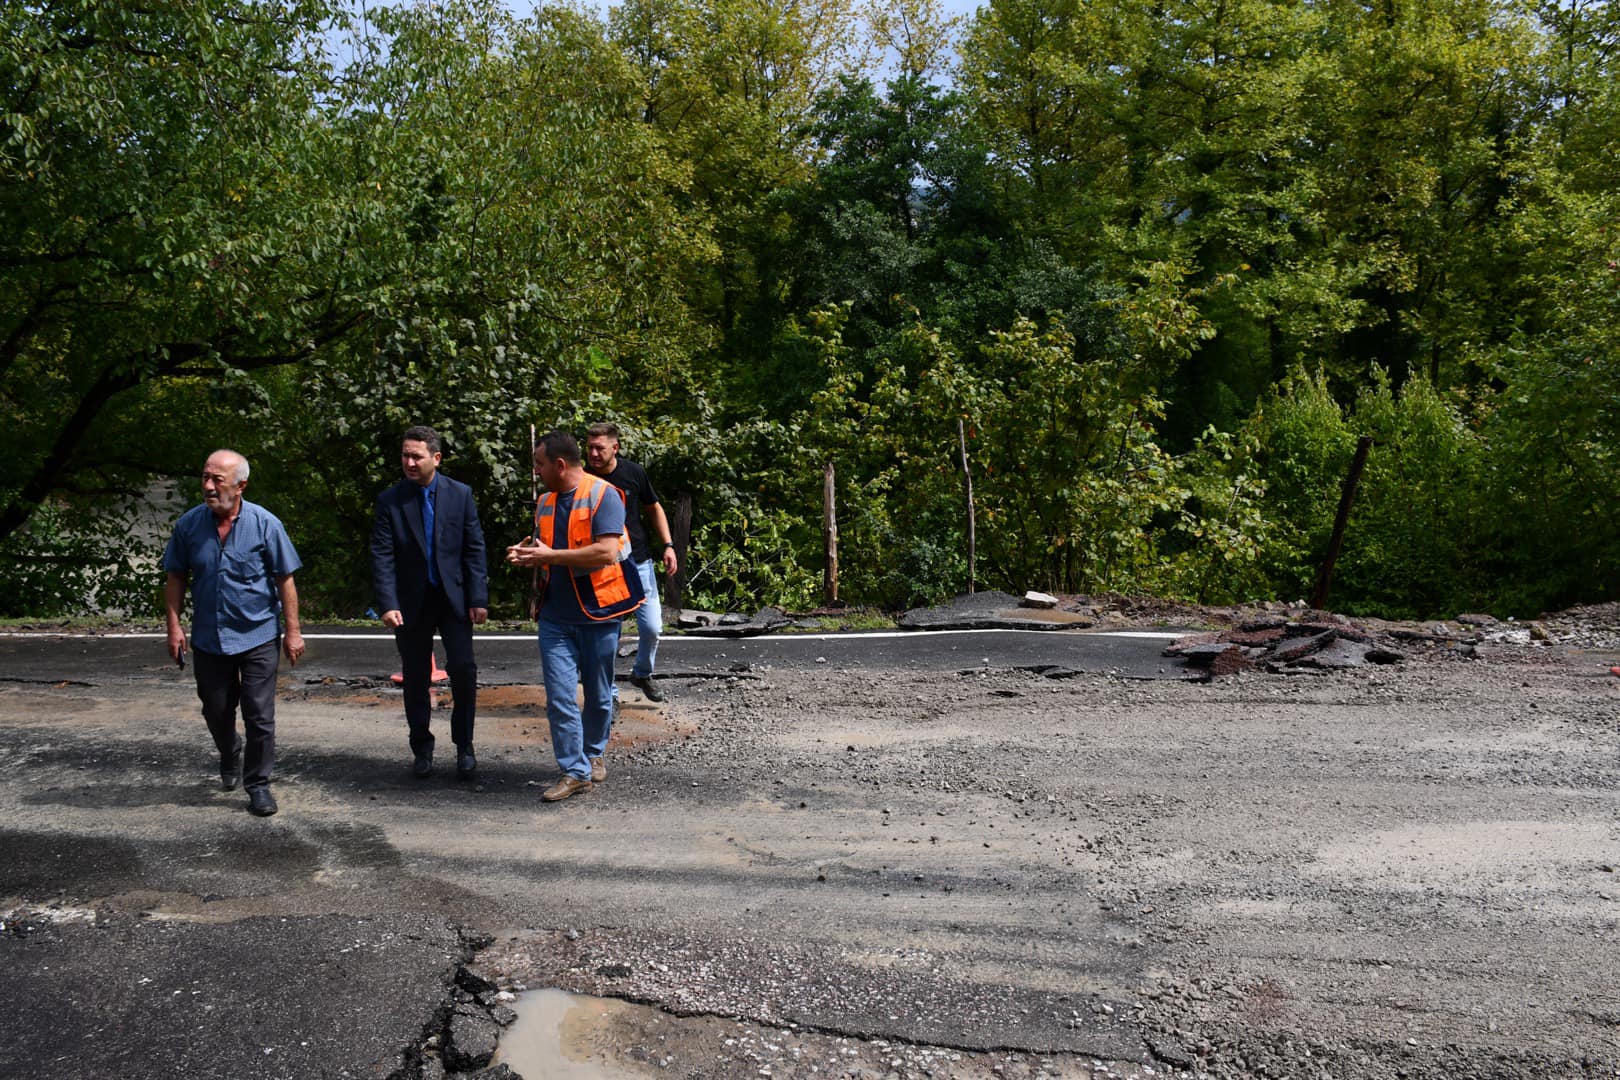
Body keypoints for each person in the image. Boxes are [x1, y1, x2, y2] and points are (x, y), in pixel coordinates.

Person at [163, 450, 305, 817]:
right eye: (205, 478)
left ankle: (257, 784)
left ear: (240, 485)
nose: (209, 487)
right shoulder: (189, 526)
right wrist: (174, 626)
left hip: (258, 634)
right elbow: (176, 575)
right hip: (209, 637)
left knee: (259, 714)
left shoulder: (265, 524)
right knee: (216, 710)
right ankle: (229, 751)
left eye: (217, 480)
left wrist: (293, 632)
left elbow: (284, 579)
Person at [507, 431, 644, 802]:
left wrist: (549, 557)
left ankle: (594, 751)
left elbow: (603, 552)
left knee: (599, 696)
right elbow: (545, 541)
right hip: (554, 614)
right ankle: (575, 770)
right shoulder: (545, 500)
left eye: (539, 464)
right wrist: (525, 551)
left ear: (560, 465)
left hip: (598, 612)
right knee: (559, 697)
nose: (536, 471)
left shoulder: (604, 495)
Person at [371, 426, 490, 780]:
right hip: (410, 603)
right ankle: (421, 747)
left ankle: (464, 746)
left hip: (453, 599)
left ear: (435, 458)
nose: (409, 462)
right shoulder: (390, 500)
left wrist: (478, 597)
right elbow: (382, 555)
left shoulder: (460, 494)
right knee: (416, 676)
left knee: (465, 670)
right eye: (405, 455)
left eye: (416, 456)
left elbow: (474, 547)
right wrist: (387, 602)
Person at [584, 423, 678, 703]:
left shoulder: (633, 472)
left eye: (599, 447)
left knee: (652, 628)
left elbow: (654, 507)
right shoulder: (582, 478)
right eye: (589, 447)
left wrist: (669, 545)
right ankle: (609, 695)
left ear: (615, 448)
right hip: (603, 567)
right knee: (608, 635)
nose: (593, 453)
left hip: (638, 561)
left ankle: (642, 673)